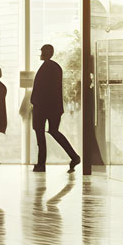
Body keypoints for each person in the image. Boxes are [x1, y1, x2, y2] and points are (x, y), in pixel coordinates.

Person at [31, 44, 80, 173]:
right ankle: (74, 157)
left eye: (42, 51)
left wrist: (35, 103)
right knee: (53, 131)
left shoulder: (47, 67)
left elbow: (43, 89)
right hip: (53, 107)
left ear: (47, 53)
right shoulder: (55, 67)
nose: (40, 53)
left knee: (40, 135)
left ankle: (41, 164)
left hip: (43, 107)